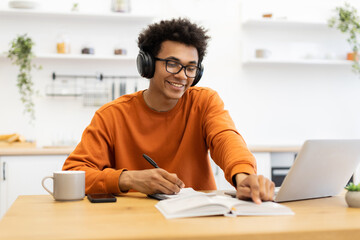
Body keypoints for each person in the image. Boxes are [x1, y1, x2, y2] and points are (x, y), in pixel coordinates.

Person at [63, 18, 274, 204]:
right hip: (132, 221)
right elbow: (73, 173)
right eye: (172, 64)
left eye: (191, 67)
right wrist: (129, 178)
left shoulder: (204, 102)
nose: (182, 76)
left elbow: (225, 139)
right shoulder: (112, 115)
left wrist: (244, 176)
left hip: (198, 218)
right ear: (147, 64)